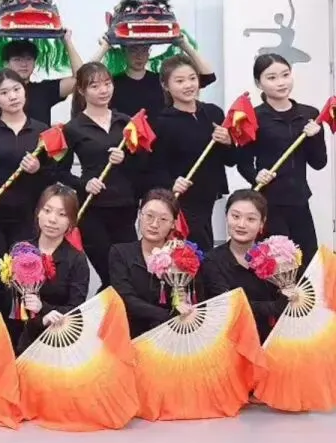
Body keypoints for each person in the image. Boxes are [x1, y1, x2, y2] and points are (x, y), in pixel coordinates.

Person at [0, 69, 60, 317]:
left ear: (25, 91)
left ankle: (18, 334)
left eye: (16, 89)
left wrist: (38, 168)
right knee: (1, 284)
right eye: (4, 92)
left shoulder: (42, 131)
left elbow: (54, 175)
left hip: (26, 218)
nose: (12, 96)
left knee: (22, 284)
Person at [63, 62, 146, 289]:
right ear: (82, 91)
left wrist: (125, 158)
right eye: (95, 86)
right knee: (109, 275)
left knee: (128, 274)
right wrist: (84, 184)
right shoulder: (73, 128)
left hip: (125, 206)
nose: (103, 90)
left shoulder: (126, 122)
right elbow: (58, 170)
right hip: (92, 209)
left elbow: (143, 163)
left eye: (107, 84)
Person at [237, 53, 325, 266]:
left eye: (285, 75)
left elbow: (319, 163)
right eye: (272, 78)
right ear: (259, 83)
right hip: (269, 203)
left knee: (308, 263)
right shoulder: (254, 117)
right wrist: (256, 175)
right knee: (276, 264)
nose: (281, 82)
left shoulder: (309, 114)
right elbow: (243, 163)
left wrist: (315, 137)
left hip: (300, 200)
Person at [148, 56, 235, 251]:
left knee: (206, 244)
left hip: (209, 194)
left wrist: (228, 142)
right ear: (166, 85)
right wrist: (171, 183)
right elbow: (154, 167)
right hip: (180, 198)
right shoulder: (161, 122)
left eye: (192, 78)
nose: (188, 85)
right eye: (179, 81)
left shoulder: (213, 113)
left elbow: (231, 160)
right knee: (191, 248)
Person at [109, 189, 198, 338]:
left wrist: (183, 302)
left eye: (163, 219)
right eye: (149, 216)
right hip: (130, 334)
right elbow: (125, 298)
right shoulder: (120, 252)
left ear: (173, 223)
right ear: (140, 215)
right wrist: (167, 315)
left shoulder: (182, 256)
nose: (154, 224)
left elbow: (194, 297)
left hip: (172, 334)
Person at [202, 190, 290, 341]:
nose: (241, 224)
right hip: (229, 339)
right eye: (235, 216)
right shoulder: (212, 260)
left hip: (272, 340)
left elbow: (290, 299)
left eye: (251, 219)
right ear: (226, 217)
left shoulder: (275, 255)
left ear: (262, 223)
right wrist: (275, 307)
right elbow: (228, 306)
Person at [15, 185, 90, 354]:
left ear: (71, 221)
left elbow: (76, 310)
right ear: (38, 213)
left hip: (61, 342)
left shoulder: (77, 259)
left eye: (62, 214)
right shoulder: (21, 250)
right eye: (47, 210)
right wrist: (39, 319)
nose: (52, 219)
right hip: (23, 340)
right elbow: (12, 303)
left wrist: (43, 308)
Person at [0, 28, 84, 125]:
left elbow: (81, 78)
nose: (24, 64)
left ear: (35, 63)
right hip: (4, 146)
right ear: (6, 63)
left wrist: (67, 41)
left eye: (28, 59)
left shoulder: (45, 89)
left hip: (39, 148)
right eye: (17, 59)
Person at [94, 35, 216, 120]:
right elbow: (85, 78)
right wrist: (104, 47)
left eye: (144, 50)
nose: (139, 56)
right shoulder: (113, 83)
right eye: (133, 51)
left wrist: (184, 45)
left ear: (149, 52)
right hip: (126, 143)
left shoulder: (161, 80)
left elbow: (208, 76)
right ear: (124, 52)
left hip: (162, 140)